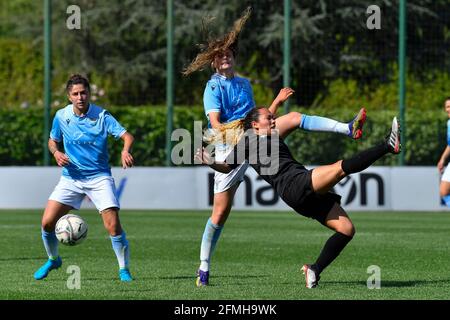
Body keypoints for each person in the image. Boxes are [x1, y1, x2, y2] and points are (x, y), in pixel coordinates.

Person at [183, 7, 367, 287]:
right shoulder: (213, 87)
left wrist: (276, 105)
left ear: (234, 58)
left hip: (254, 138)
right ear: (213, 62)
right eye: (220, 55)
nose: (225, 57)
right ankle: (204, 267)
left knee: (292, 118)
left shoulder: (244, 84)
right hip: (232, 145)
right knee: (220, 213)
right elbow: (216, 124)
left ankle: (347, 127)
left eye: (229, 53)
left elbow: (259, 119)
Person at [195, 107, 401, 288]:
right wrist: (209, 161)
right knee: (340, 169)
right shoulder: (247, 143)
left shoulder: (271, 134)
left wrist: (276, 103)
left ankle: (314, 269)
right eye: (269, 118)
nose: (274, 120)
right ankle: (387, 146)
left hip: (296, 193)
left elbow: (267, 117)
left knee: (346, 230)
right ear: (256, 125)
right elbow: (226, 166)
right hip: (294, 184)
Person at [33, 74, 135, 282]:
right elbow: (53, 141)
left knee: (113, 226)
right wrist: (56, 153)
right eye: (75, 94)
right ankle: (53, 259)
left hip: (99, 178)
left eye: (83, 93)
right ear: (69, 97)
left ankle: (123, 269)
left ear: (89, 94)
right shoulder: (61, 116)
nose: (80, 97)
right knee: (47, 223)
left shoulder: (102, 116)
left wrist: (125, 150)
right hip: (71, 177)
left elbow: (127, 136)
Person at [437, 97, 450, 207]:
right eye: (447, 107)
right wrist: (442, 159)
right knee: (443, 191)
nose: (448, 109)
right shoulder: (449, 123)